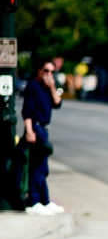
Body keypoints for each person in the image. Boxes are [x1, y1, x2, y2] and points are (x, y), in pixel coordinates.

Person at [21, 58, 63, 215]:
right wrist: (29, 131)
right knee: (37, 167)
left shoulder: (48, 87)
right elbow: (27, 111)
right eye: (46, 71)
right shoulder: (33, 86)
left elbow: (57, 103)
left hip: (44, 129)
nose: (49, 74)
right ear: (39, 71)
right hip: (36, 128)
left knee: (42, 167)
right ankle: (34, 202)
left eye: (52, 71)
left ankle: (45, 201)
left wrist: (52, 86)